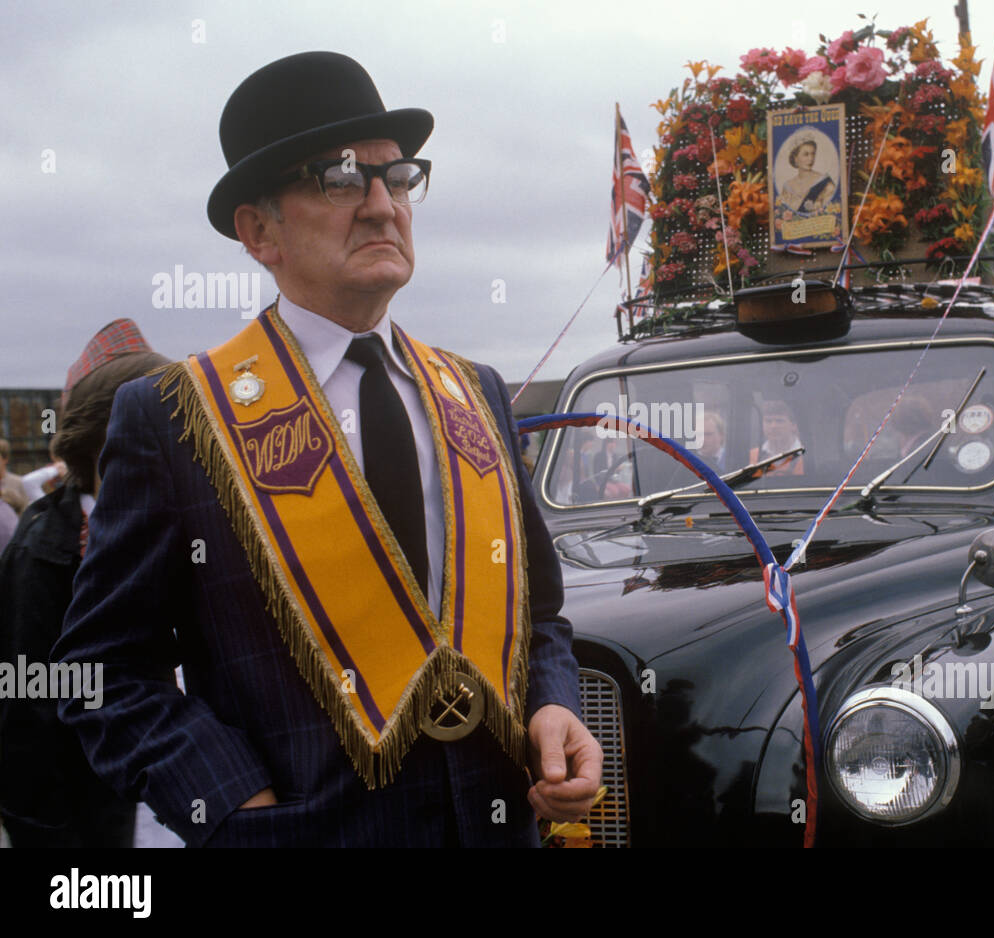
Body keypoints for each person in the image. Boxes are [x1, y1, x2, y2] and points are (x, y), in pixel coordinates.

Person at [54, 52, 601, 846]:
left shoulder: (472, 390)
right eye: (340, 178)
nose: (383, 206)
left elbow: (539, 613)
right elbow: (102, 672)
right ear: (258, 230)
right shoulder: (176, 417)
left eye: (400, 177)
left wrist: (554, 705)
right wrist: (234, 808)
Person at [0, 320, 167, 846]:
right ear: (103, 443)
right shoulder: (43, 553)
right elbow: (25, 721)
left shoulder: (173, 526)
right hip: (92, 821)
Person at [777, 136, 834, 216]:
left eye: (813, 154)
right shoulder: (788, 187)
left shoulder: (825, 183)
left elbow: (832, 211)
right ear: (795, 158)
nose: (811, 159)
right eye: (806, 154)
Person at [749, 400, 805, 476]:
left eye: (779, 421)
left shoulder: (806, 456)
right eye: (768, 421)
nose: (773, 426)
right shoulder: (753, 456)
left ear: (793, 426)